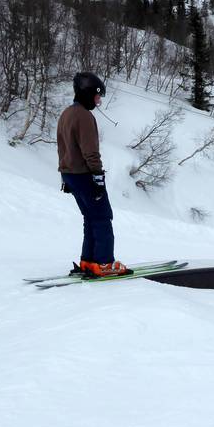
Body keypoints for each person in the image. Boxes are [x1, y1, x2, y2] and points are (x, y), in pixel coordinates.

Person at [57, 72, 129, 278]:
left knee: (90, 217)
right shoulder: (84, 117)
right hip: (85, 175)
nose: (99, 101)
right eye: (97, 96)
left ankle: (88, 261)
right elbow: (90, 152)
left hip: (70, 174)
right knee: (102, 217)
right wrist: (97, 177)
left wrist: (65, 175)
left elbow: (62, 147)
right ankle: (104, 263)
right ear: (87, 93)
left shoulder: (66, 114)